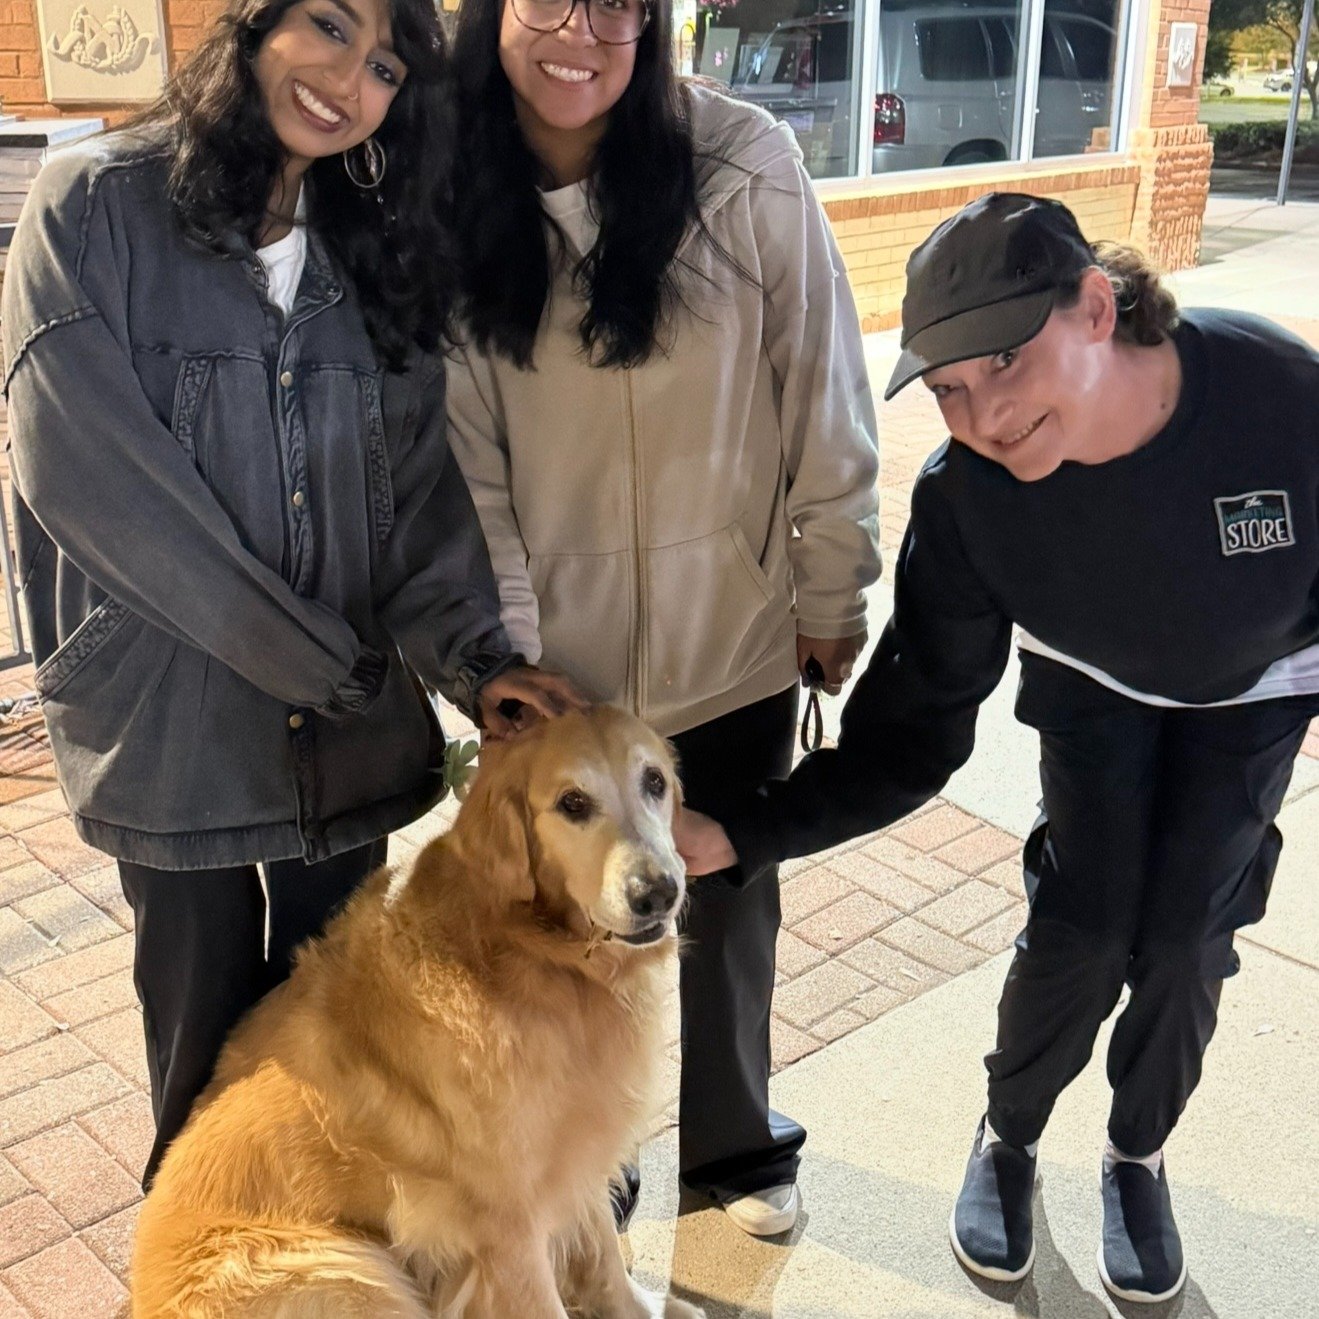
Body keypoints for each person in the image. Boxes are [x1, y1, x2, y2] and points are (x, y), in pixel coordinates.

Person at [677, 192, 1319, 1300]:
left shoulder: (1279, 397)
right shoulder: (972, 502)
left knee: (1183, 940)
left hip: (1255, 686)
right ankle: (1008, 1135)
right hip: (1093, 682)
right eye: (947, 388)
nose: (981, 413)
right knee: (1083, 928)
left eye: (1003, 363)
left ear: (1092, 307)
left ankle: (1135, 1151)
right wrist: (740, 829)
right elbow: (910, 731)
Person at [2, 0, 583, 1190]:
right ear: (254, 22)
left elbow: (419, 506)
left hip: (350, 736)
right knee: (207, 1074)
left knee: (342, 1054)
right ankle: (205, 1268)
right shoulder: (92, 206)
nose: (345, 78)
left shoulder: (371, 254)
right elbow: (91, 479)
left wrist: (478, 662)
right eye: (326, 25)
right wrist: (328, 666)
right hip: (171, 725)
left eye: (382, 66)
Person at [443, 0, 881, 1236]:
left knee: (731, 901)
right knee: (568, 929)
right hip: (562, 680)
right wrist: (512, 661)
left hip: (727, 640)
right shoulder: (451, 191)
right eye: (545, 0)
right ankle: (597, 1150)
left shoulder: (743, 163)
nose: (578, 30)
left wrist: (830, 582)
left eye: (615, 4)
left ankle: (735, 1144)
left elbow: (823, 380)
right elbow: (467, 463)